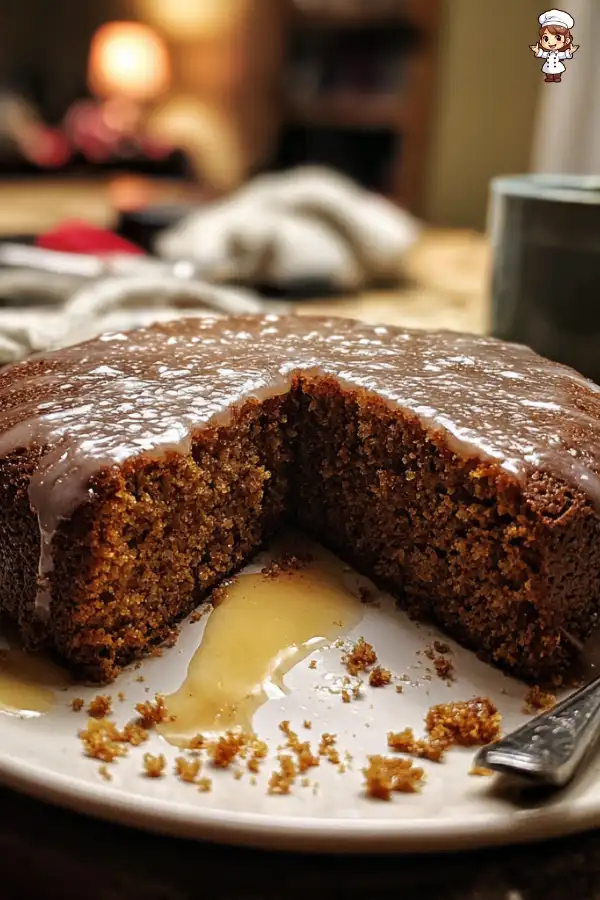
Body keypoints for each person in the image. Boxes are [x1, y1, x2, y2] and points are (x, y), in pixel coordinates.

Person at [530, 8, 579, 82]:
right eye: (546, 38)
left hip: (556, 67)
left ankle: (556, 77)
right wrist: (537, 51)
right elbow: (543, 54)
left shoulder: (559, 54)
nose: (551, 43)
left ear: (567, 41)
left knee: (557, 73)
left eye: (558, 38)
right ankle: (549, 77)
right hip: (548, 67)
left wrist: (570, 52)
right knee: (548, 72)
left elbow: (564, 55)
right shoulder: (548, 54)